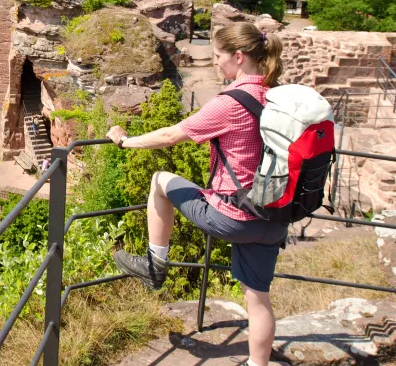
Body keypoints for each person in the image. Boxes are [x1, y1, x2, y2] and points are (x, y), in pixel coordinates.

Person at [105, 22, 285, 366]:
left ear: (238, 56)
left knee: (160, 180)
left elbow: (172, 135)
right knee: (258, 299)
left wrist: (126, 141)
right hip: (273, 217)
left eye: (217, 56)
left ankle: (155, 266)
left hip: (232, 216)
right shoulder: (277, 94)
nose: (215, 63)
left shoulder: (231, 102)